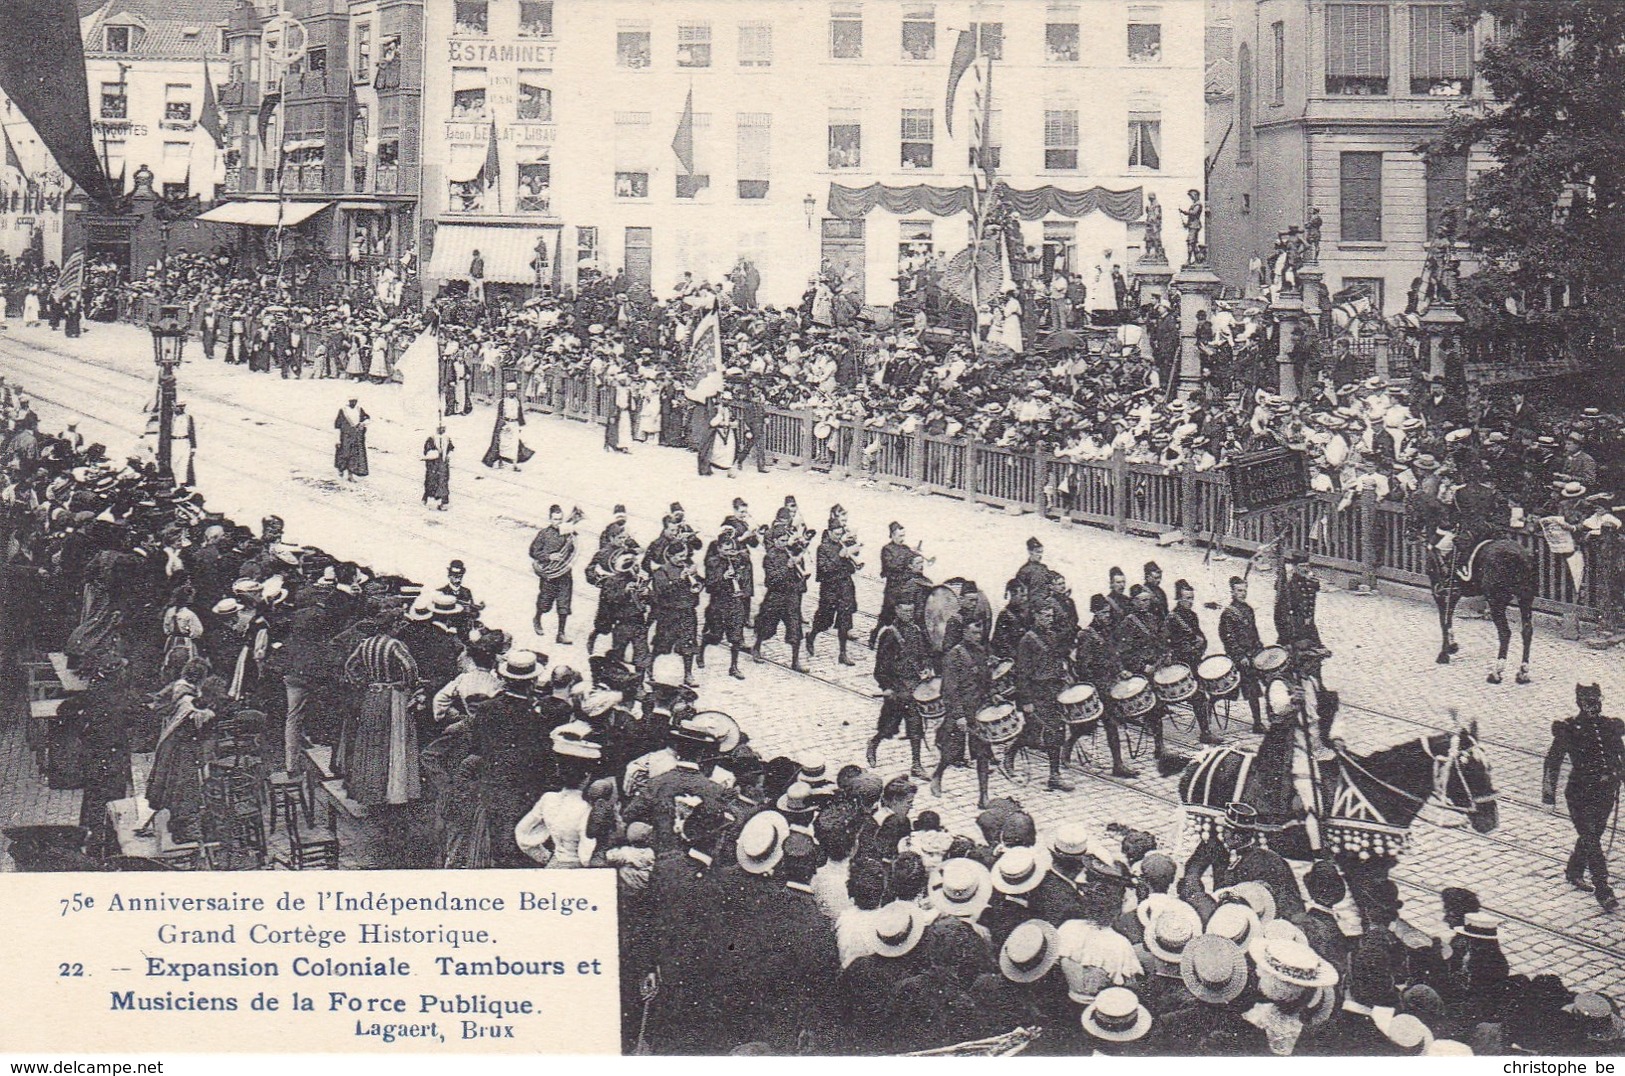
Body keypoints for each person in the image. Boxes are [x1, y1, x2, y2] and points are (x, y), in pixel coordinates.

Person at [1544, 683, 1623, 912]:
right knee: (1591, 839)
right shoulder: (1568, 728)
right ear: (1580, 702)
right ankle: (1603, 888)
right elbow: (1553, 761)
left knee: (1593, 834)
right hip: (1580, 794)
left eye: (1597, 701)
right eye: (1589, 702)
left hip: (1606, 792)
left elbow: (1622, 756)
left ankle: (1574, 870)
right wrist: (1549, 797)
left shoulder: (1610, 726)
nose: (1594, 706)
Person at [342, 612, 421, 806]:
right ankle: (393, 793)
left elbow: (349, 666)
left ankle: (372, 792)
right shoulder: (395, 645)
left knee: (371, 742)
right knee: (394, 741)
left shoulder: (365, 643)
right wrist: (408, 685)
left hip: (372, 695)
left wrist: (362, 682)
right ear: (392, 626)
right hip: (392, 696)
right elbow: (410, 668)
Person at [867, 586, 933, 778]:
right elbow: (880, 668)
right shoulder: (889, 634)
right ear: (896, 610)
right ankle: (874, 743)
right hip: (897, 690)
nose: (909, 614)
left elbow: (924, 655)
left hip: (914, 687)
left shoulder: (916, 630)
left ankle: (916, 764)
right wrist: (887, 688)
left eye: (911, 611)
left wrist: (927, 668)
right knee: (888, 727)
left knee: (915, 726)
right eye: (905, 610)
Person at [1012, 600, 1078, 792]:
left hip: (1053, 689)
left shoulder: (1051, 636)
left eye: (1051, 616)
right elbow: (1022, 673)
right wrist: (1026, 701)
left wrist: (1063, 674)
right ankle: (1011, 753)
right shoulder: (1028, 640)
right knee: (1040, 732)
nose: (1049, 619)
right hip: (1037, 691)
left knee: (1056, 730)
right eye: (1046, 616)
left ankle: (1054, 775)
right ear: (1036, 616)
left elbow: (1054, 660)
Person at [933, 613, 994, 806]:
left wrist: (994, 695)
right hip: (960, 712)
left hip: (978, 711)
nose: (978, 636)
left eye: (980, 632)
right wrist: (959, 716)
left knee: (982, 752)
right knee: (951, 752)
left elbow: (986, 681)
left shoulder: (981, 651)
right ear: (964, 632)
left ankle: (983, 795)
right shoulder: (954, 655)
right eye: (974, 632)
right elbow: (949, 690)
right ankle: (938, 775)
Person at [808, 505, 859, 666]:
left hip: (844, 588)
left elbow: (851, 569)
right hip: (829, 590)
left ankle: (842, 653)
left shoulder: (842, 546)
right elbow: (825, 569)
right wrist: (840, 557)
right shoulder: (822, 548)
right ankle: (811, 636)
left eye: (840, 534)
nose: (838, 537)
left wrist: (851, 556)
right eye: (836, 534)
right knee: (824, 621)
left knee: (844, 622)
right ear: (829, 533)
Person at [753, 527, 807, 672]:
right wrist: (787, 567)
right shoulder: (769, 557)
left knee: (795, 629)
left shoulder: (790, 552)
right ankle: (757, 647)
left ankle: (795, 662)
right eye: (781, 541)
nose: (784, 544)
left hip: (790, 597)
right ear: (775, 540)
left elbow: (799, 576)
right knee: (767, 627)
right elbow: (770, 580)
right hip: (775, 596)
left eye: (785, 540)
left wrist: (798, 563)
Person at [1219, 575, 1267, 732]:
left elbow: (1254, 633)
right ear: (1232, 592)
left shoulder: (1248, 609)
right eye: (1239, 590)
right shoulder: (1228, 613)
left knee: (1259, 685)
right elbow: (1228, 639)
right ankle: (1209, 708)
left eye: (1244, 590)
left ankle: (1259, 721)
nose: (1242, 593)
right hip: (1240, 658)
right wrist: (1240, 656)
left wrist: (1260, 649)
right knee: (1229, 690)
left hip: (1252, 654)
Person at [529, 504, 579, 644]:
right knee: (545, 604)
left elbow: (573, 550)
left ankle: (561, 634)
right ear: (550, 519)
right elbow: (533, 552)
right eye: (556, 519)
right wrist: (550, 557)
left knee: (564, 604)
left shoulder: (567, 532)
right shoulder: (544, 534)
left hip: (564, 574)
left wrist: (572, 539)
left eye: (560, 519)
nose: (558, 522)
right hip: (550, 575)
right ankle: (537, 618)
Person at [333, 397, 370, 481]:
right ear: (348, 401)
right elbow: (337, 426)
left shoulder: (359, 409)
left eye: (355, 401)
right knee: (344, 455)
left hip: (356, 438)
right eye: (352, 401)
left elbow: (367, 418)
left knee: (353, 456)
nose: (353, 402)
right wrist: (337, 440)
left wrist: (363, 423)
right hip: (345, 438)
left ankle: (350, 475)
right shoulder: (343, 411)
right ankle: (341, 469)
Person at [422, 423, 453, 511]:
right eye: (440, 428)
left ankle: (444, 502)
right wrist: (435, 454)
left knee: (443, 483)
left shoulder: (447, 439)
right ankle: (428, 499)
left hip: (443, 466)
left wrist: (448, 455)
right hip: (433, 466)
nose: (442, 430)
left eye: (443, 428)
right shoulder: (431, 439)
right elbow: (427, 452)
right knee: (431, 482)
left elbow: (451, 449)